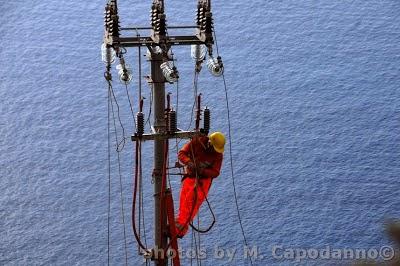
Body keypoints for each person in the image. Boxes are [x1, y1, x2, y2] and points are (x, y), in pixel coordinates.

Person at [175, 132, 225, 238]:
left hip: (203, 182)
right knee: (184, 202)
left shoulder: (218, 156)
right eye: (214, 149)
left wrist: (202, 170)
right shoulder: (196, 142)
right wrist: (189, 163)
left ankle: (180, 227)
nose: (215, 152)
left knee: (192, 204)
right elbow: (181, 154)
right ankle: (180, 226)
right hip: (190, 177)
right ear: (210, 143)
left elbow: (215, 172)